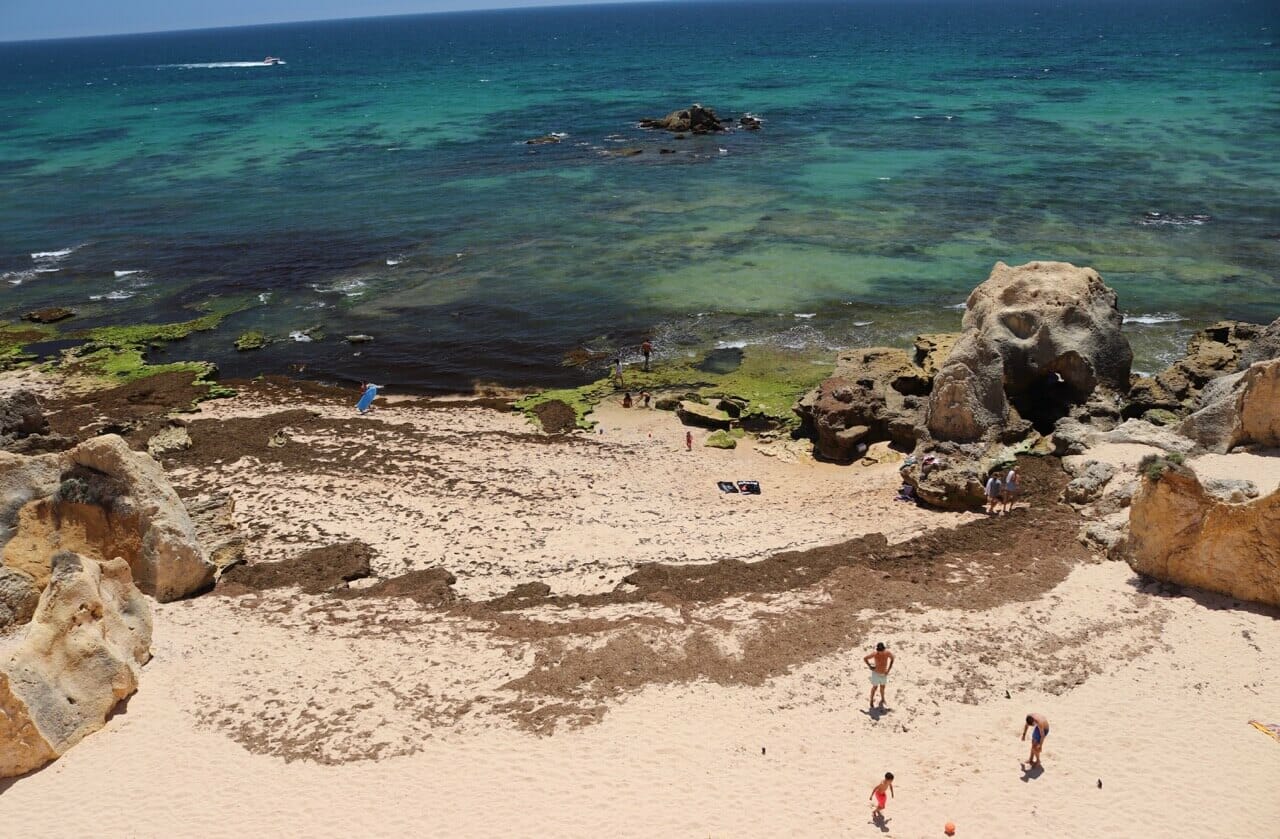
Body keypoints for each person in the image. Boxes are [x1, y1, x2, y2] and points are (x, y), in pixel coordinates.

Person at [863, 642, 894, 708]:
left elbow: (892, 659)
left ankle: (883, 699)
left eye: (882, 651)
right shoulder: (874, 654)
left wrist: (888, 670)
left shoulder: (887, 653)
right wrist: (870, 666)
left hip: (884, 673)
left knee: (882, 687)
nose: (881, 652)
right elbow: (865, 658)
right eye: (880, 651)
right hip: (876, 673)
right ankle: (871, 700)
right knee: (875, 687)